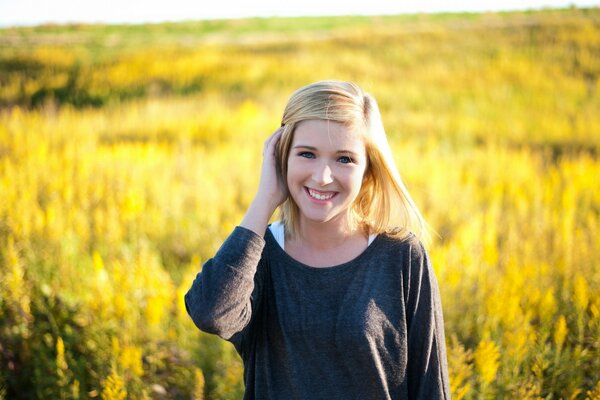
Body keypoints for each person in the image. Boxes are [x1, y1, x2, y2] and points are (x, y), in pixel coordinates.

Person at [185, 80, 450, 399]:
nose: (323, 176)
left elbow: (431, 386)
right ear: (281, 157)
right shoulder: (259, 255)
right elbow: (211, 311)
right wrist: (266, 198)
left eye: (344, 159)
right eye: (307, 154)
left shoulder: (402, 257)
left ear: (368, 169)